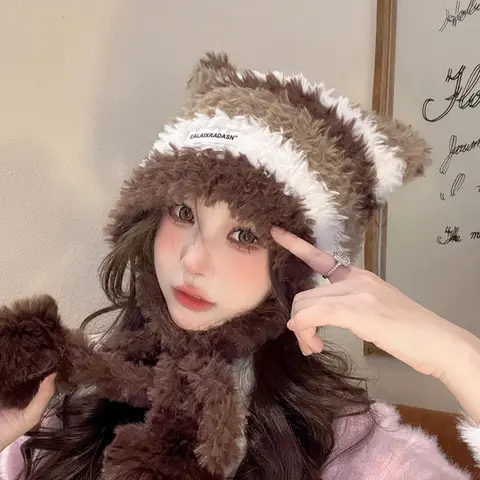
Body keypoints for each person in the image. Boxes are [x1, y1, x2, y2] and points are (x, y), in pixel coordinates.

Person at [0, 51, 476, 479]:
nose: (192, 259)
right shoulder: (66, 407)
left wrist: (460, 357)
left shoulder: (352, 450)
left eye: (245, 235)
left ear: (293, 268)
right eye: (183, 213)